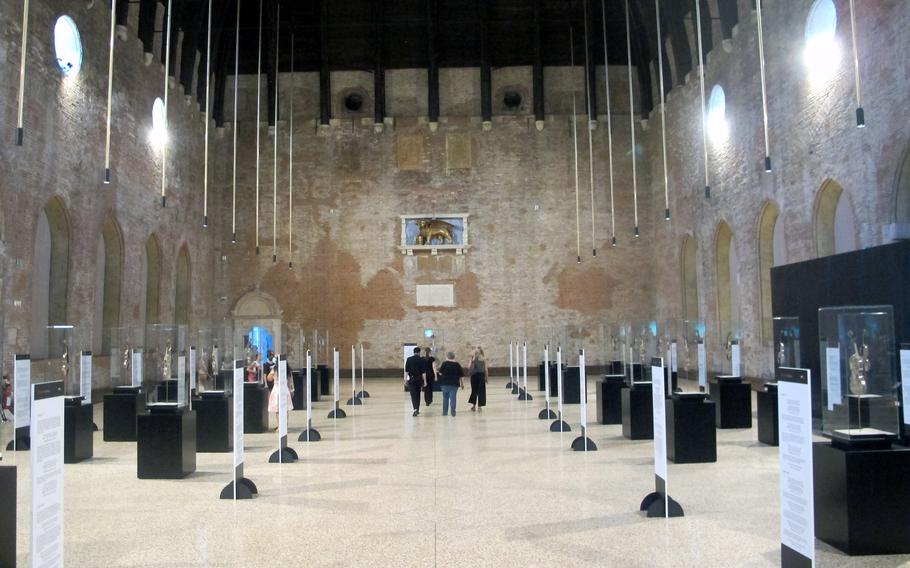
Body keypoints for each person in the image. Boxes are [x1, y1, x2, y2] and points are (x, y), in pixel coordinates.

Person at [437, 351, 465, 417]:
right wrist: (462, 384)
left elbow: (440, 373)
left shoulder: (444, 363)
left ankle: (445, 412)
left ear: (447, 356)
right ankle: (453, 412)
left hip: (444, 383)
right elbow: (461, 375)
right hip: (454, 384)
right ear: (454, 357)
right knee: (453, 398)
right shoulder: (457, 364)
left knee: (445, 398)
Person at [268, 362, 294, 429]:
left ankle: (280, 426)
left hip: (276, 389)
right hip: (285, 389)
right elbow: (290, 381)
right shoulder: (288, 370)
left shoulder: (275, 369)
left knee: (277, 410)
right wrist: (291, 390)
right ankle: (285, 425)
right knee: (285, 410)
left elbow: (269, 378)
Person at [404, 347, 426, 416]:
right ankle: (417, 409)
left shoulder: (409, 359)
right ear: (419, 352)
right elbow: (423, 372)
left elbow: (406, 372)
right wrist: (425, 381)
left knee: (413, 395)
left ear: (413, 352)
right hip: (419, 379)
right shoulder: (422, 360)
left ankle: (415, 409)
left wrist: (405, 380)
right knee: (418, 394)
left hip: (412, 379)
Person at [468, 347, 487, 412]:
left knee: (474, 391)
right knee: (481, 391)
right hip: (481, 376)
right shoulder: (483, 359)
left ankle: (473, 406)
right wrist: (486, 378)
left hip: (474, 376)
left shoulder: (473, 359)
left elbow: (469, 367)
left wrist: (471, 360)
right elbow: (486, 369)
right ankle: (479, 407)